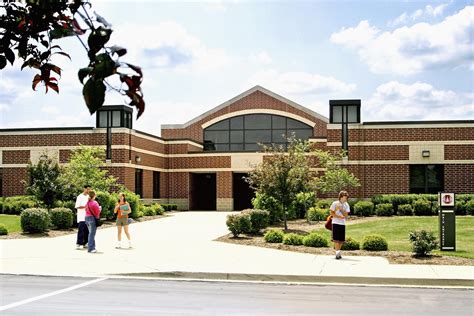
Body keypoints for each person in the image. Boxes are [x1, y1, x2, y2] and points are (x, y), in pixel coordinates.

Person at [330, 190, 350, 260]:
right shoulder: (334, 203)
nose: (346, 198)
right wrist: (338, 215)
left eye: (346, 197)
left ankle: (338, 252)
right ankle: (337, 254)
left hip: (342, 223)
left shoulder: (346, 205)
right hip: (335, 223)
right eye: (345, 197)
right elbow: (331, 214)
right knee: (336, 240)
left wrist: (341, 209)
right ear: (341, 197)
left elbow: (346, 216)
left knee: (341, 240)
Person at [75, 185, 90, 249]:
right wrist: (85, 207)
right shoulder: (79, 197)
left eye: (89, 189)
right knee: (81, 230)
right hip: (81, 217)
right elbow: (77, 206)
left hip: (88, 216)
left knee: (87, 231)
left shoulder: (89, 197)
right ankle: (78, 243)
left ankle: (85, 243)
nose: (88, 191)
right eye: (87, 189)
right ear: (84, 189)